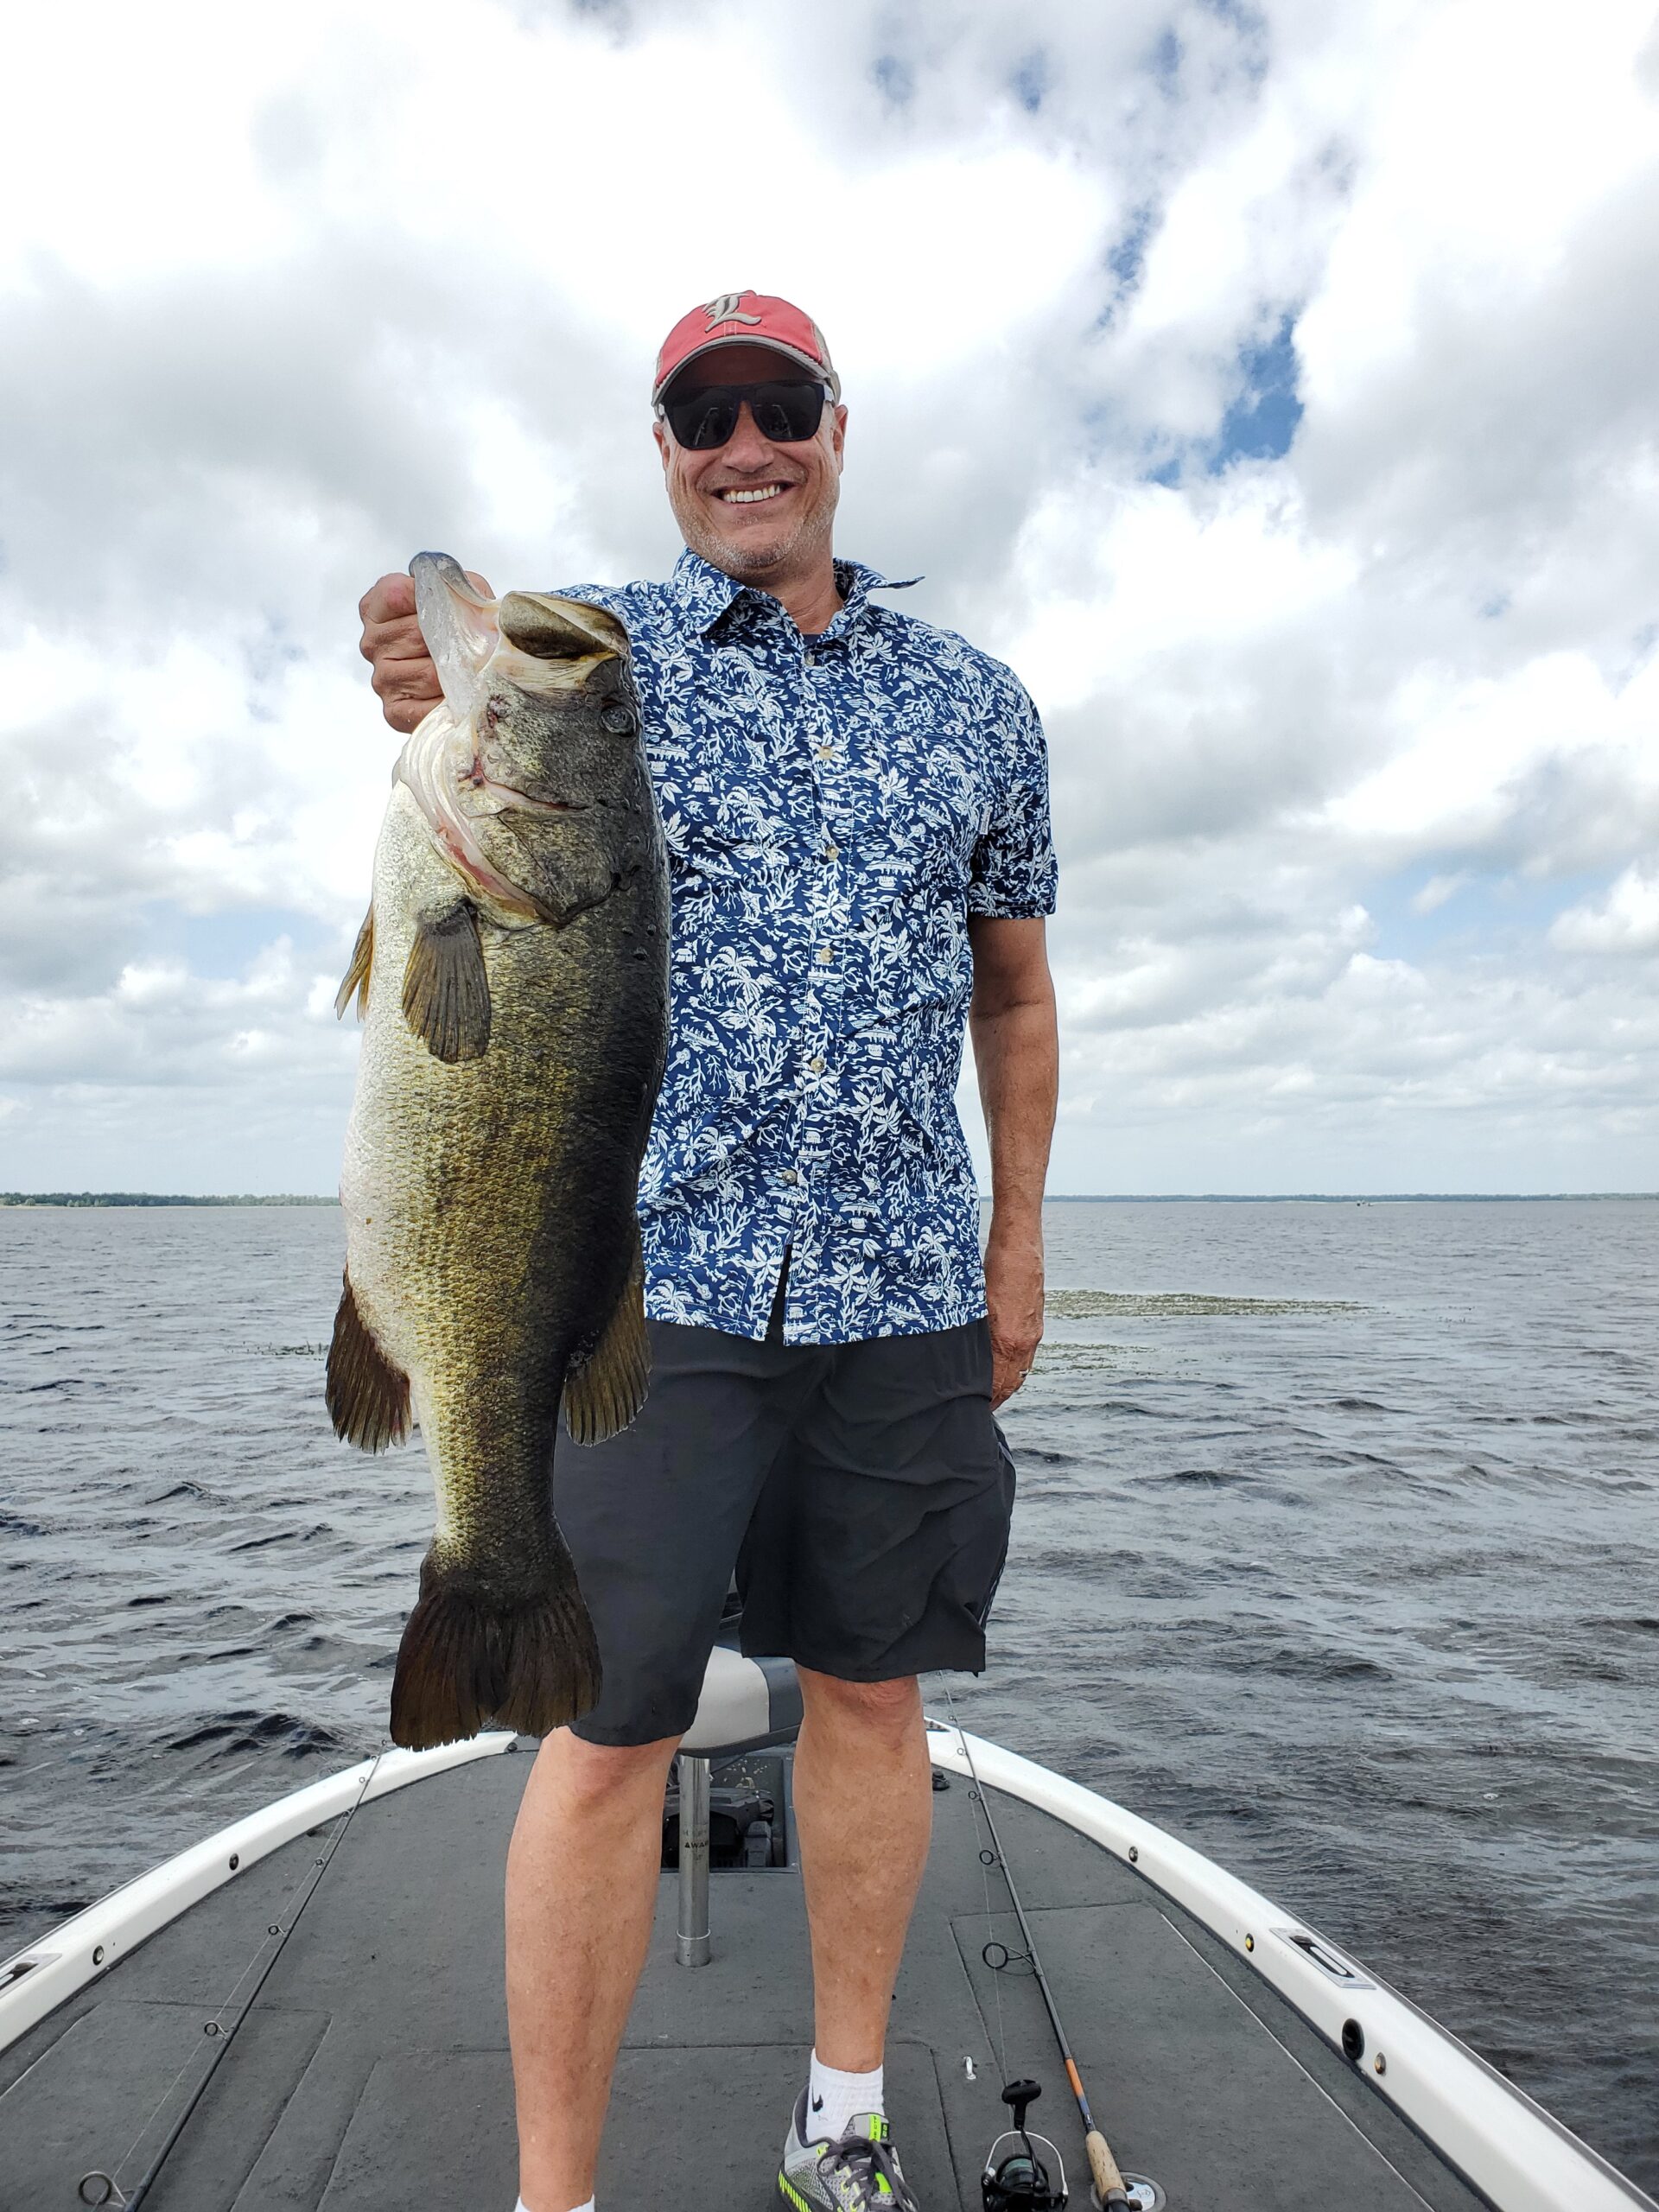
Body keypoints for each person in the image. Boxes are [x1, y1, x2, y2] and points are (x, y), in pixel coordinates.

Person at [357, 289, 1058, 2212]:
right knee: (601, 1730)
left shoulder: (981, 704)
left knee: (874, 1694)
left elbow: (1014, 997)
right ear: (663, 447)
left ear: (840, 426)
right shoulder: (604, 656)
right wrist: (420, 650)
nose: (744, 444)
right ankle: (553, 2192)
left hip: (906, 1282)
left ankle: (843, 2121)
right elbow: (458, 660)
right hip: (640, 1295)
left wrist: (1017, 1243)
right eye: (700, 413)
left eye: (778, 406)